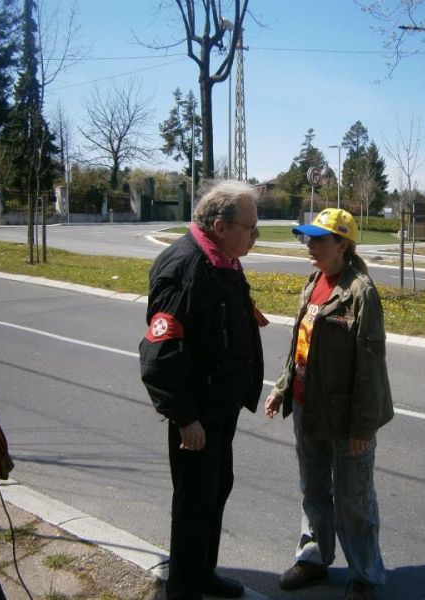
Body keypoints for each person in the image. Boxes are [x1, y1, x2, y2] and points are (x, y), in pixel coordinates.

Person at [140, 180, 265, 600]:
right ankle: (184, 590)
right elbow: (161, 353)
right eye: (250, 227)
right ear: (219, 225)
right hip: (197, 417)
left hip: (220, 409)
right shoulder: (185, 268)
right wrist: (185, 416)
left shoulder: (221, 260)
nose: (256, 235)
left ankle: (203, 574)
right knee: (194, 503)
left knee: (216, 490)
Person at [264, 208, 394, 600]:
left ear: (343, 244)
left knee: (354, 499)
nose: (310, 246)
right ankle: (314, 558)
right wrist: (282, 387)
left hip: (345, 417)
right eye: (308, 238)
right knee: (313, 489)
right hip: (307, 408)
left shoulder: (360, 291)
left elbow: (371, 366)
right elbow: (301, 348)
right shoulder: (314, 281)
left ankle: (366, 576)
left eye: (319, 239)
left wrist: (363, 428)